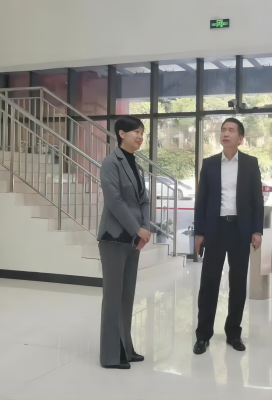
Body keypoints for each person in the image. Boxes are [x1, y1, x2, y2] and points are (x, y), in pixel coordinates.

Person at [192, 117, 264, 354]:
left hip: (240, 230)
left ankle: (233, 333)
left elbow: (257, 200)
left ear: (240, 138)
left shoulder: (250, 164)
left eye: (231, 130)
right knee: (209, 282)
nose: (226, 133)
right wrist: (199, 232)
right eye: (223, 130)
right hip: (215, 229)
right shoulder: (209, 164)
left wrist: (257, 230)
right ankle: (203, 335)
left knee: (238, 283)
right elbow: (201, 200)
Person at [97, 116, 152, 369]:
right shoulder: (110, 162)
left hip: (133, 239)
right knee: (113, 297)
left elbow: (144, 200)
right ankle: (111, 355)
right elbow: (114, 200)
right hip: (114, 238)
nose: (140, 136)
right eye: (135, 132)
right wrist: (136, 229)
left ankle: (125, 349)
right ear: (121, 133)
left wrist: (145, 228)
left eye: (142, 132)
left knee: (127, 295)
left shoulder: (137, 166)